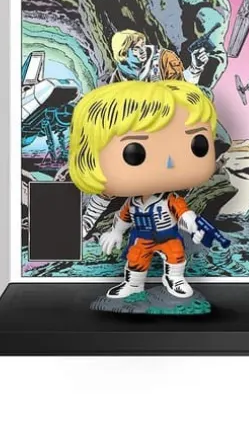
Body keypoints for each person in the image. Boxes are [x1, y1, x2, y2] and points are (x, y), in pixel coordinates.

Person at [68, 80, 217, 299]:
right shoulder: (134, 202)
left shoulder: (169, 199)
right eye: (135, 153)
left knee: (175, 254)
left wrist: (194, 227)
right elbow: (124, 217)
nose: (169, 162)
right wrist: (116, 232)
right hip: (142, 237)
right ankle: (133, 284)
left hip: (168, 236)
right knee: (136, 257)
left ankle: (175, 278)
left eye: (198, 145)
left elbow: (183, 214)